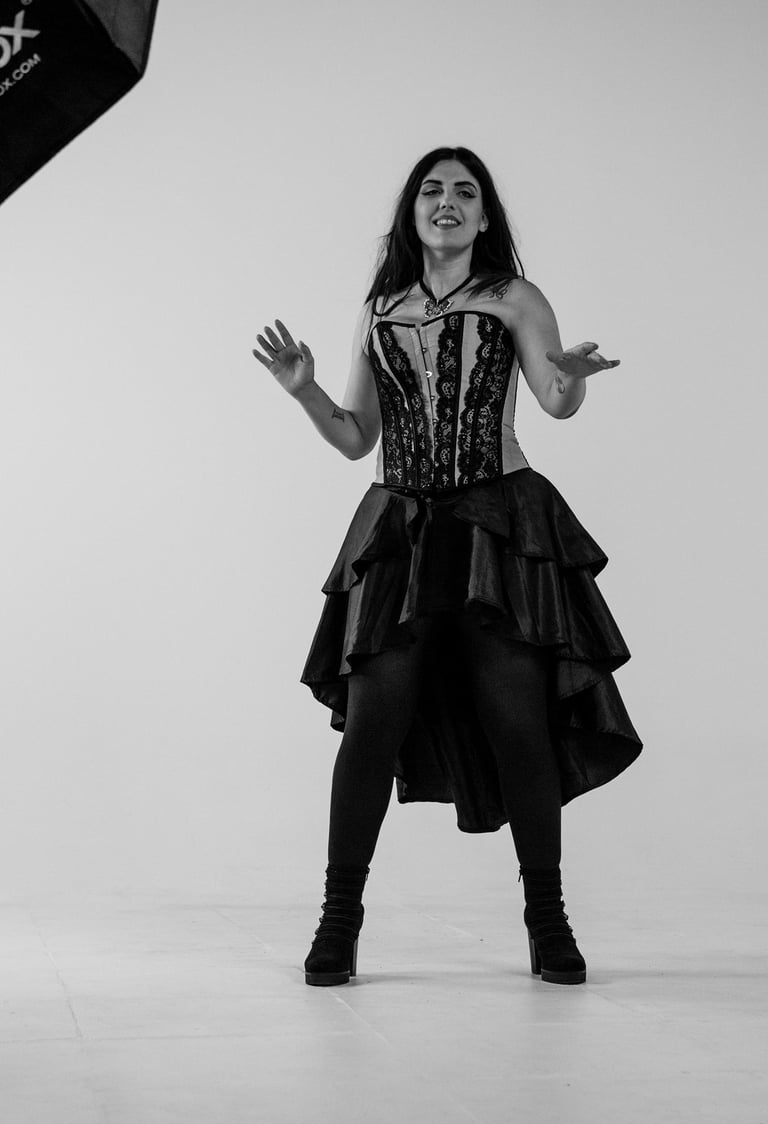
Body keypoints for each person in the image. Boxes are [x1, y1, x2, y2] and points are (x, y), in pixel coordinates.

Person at [253, 146, 643, 989]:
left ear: (484, 215)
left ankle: (548, 922)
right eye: (432, 190)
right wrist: (303, 389)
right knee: (372, 723)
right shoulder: (380, 308)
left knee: (518, 722)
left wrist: (575, 378)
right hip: (401, 529)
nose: (447, 202)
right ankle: (338, 922)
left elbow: (555, 400)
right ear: (412, 211)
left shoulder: (514, 297)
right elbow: (357, 436)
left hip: (496, 524)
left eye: (465, 192)